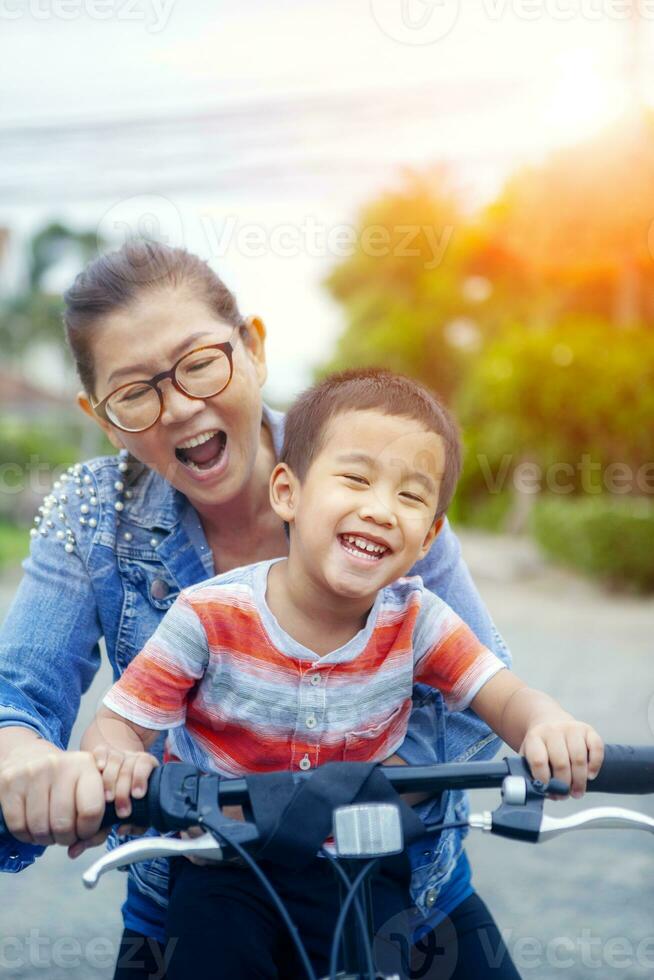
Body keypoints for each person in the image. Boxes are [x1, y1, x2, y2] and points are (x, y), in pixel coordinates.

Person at [0, 240, 514, 978]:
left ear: (254, 348)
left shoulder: (371, 473)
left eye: (201, 362)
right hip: (198, 901)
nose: (180, 406)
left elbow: (478, 693)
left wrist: (356, 783)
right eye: (136, 393)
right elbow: (21, 694)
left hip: (396, 897)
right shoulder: (92, 511)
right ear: (104, 418)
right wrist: (27, 763)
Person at [81, 368, 604, 979]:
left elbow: (506, 696)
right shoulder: (208, 616)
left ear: (430, 536)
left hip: (362, 861)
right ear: (288, 494)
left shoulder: (418, 620)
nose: (381, 510)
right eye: (355, 479)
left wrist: (548, 723)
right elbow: (116, 726)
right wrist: (115, 763)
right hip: (227, 867)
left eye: (410, 497)